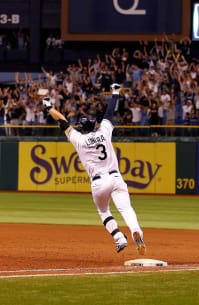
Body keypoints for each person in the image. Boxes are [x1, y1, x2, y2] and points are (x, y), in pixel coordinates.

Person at [42, 83, 146, 255]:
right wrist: (115, 92)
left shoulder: (78, 139)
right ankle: (137, 231)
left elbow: (62, 121)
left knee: (103, 211)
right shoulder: (104, 131)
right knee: (126, 208)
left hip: (99, 183)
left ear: (81, 129)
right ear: (94, 126)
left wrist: (48, 107)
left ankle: (119, 238)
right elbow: (110, 111)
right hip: (116, 178)